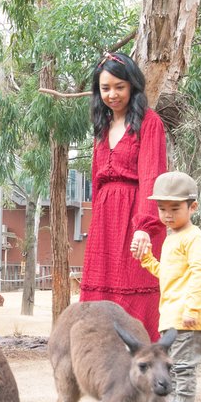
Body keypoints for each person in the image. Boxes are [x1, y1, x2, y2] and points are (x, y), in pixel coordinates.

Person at [79, 52, 167, 341]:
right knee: (101, 293)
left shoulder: (149, 123)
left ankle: (143, 372)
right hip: (105, 222)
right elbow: (96, 181)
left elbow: (152, 177)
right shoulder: (101, 129)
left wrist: (144, 227)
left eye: (119, 86)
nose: (112, 94)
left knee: (136, 286)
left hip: (136, 220)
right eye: (105, 88)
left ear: (132, 86)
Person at [135, 171, 201, 402]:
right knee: (173, 364)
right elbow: (169, 274)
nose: (168, 215)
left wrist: (192, 308)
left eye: (175, 208)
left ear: (192, 207)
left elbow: (200, 273)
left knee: (183, 365)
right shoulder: (173, 237)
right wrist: (147, 259)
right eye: (162, 209)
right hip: (172, 316)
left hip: (187, 317)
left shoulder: (193, 237)